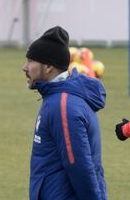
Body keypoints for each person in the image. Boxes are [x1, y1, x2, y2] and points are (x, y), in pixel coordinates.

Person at [22, 26, 107, 200]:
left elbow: (80, 167)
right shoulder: (57, 98)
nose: (24, 67)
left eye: (30, 61)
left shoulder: (62, 106)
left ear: (47, 67)